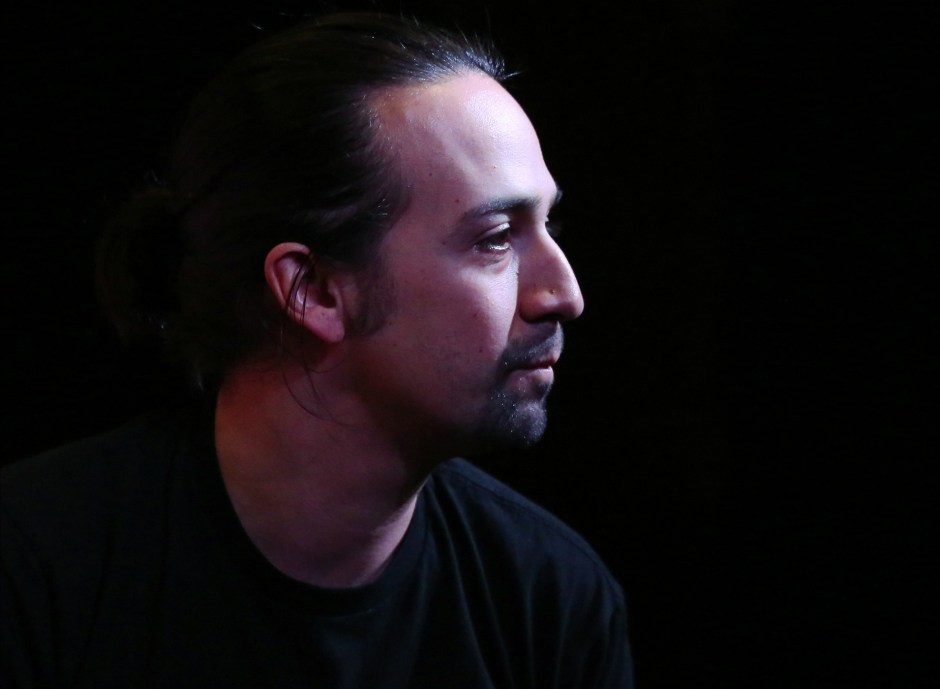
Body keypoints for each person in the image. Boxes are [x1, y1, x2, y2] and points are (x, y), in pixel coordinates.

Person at [0, 10, 633, 689]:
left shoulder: (549, 598)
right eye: (496, 238)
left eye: (548, 223)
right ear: (314, 290)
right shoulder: (34, 564)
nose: (563, 293)